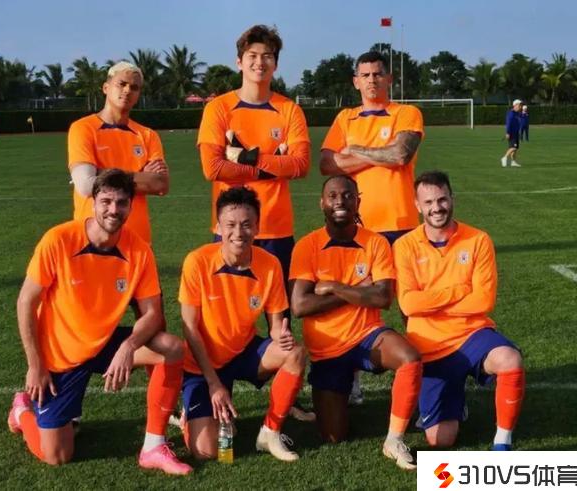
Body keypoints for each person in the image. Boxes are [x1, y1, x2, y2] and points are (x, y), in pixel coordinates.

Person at [7, 170, 192, 474]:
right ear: (92, 202)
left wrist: (128, 347)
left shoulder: (139, 250)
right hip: (61, 356)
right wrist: (35, 365)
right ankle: (22, 411)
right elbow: (26, 301)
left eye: (121, 202)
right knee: (57, 455)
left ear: (131, 205)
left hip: (106, 343)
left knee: (171, 348)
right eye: (106, 201)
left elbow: (153, 314)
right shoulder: (59, 239)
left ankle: (153, 445)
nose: (113, 210)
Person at [197, 24, 313, 421]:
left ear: (275, 64)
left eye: (266, 56)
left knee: (281, 318)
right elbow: (213, 168)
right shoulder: (219, 108)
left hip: (277, 229)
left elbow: (300, 165)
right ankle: (208, 388)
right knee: (220, 317)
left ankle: (285, 397)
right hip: (228, 231)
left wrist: (245, 157)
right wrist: (273, 161)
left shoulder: (289, 109)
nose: (259, 63)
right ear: (239, 61)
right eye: (252, 56)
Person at [289, 175, 422, 471]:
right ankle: (343, 389)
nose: (341, 201)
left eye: (348, 195)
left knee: (409, 358)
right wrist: (359, 290)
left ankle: (394, 440)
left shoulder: (375, 242)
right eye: (333, 196)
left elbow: (383, 297)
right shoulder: (307, 245)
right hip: (327, 348)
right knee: (333, 436)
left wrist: (334, 287)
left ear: (358, 201)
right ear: (322, 203)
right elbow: (300, 306)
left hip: (367, 335)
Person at [393, 170, 525, 451]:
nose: (436, 208)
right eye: (428, 202)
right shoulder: (404, 246)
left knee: (509, 359)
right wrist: (460, 291)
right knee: (440, 440)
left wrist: (431, 304)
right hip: (429, 345)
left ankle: (502, 442)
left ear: (452, 198)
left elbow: (483, 302)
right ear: (417, 206)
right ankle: (455, 399)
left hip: (472, 335)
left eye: (442, 199)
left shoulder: (478, 239)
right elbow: (409, 304)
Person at [319, 51, 424, 404]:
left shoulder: (406, 113)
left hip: (402, 227)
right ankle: (352, 379)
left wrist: (357, 151)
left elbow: (400, 155)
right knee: (355, 303)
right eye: (365, 75)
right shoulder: (345, 118)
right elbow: (327, 164)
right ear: (355, 81)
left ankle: (427, 377)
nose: (372, 80)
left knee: (412, 306)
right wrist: (380, 152)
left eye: (378, 74)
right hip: (358, 229)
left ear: (389, 79)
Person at [179, 186, 306, 462]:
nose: (239, 232)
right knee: (206, 451)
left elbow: (275, 324)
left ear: (257, 227)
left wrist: (280, 336)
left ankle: (270, 432)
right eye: (231, 225)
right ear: (218, 227)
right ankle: (190, 413)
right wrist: (213, 383)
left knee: (295, 353)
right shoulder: (197, 262)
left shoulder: (270, 264)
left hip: (243, 352)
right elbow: (189, 328)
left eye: (247, 224)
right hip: (202, 364)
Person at [68, 61, 168, 246]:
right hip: (92, 240)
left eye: (134, 87)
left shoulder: (148, 135)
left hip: (137, 241)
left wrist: (101, 174)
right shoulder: (83, 128)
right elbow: (85, 185)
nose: (128, 90)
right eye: (122, 84)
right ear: (106, 88)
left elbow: (160, 184)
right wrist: (141, 177)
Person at [501, 99, 522, 167]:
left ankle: (513, 162)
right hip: (511, 133)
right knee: (513, 147)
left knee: (515, 149)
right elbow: (508, 123)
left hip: (516, 133)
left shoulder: (517, 113)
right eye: (519, 105)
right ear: (515, 105)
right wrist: (508, 132)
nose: (520, 106)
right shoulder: (511, 113)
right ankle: (504, 157)